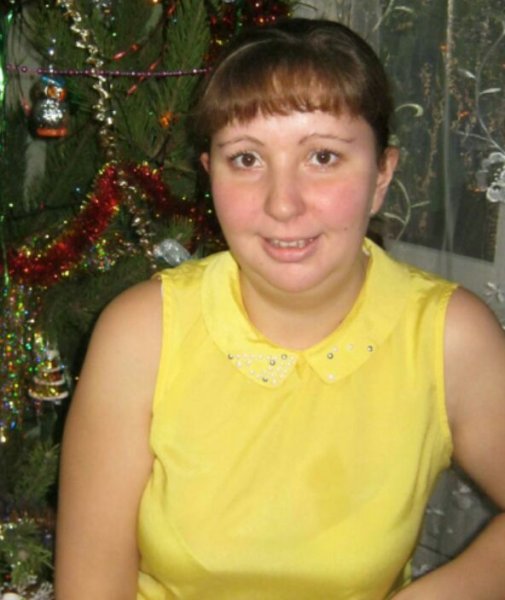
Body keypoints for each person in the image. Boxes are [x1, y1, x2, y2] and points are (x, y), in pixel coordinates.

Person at [54, 18, 505, 600]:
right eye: (246, 159)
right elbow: (91, 586)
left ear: (381, 175)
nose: (282, 204)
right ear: (209, 174)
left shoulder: (447, 337)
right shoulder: (142, 334)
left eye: (323, 156)